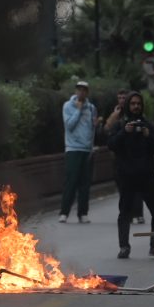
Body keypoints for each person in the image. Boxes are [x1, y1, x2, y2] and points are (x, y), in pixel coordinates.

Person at [107, 91, 154, 258]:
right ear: (128, 105)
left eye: (138, 104)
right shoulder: (120, 125)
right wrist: (124, 132)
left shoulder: (148, 125)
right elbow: (111, 144)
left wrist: (148, 136)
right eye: (132, 104)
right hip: (127, 176)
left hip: (147, 175)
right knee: (125, 213)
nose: (136, 106)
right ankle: (124, 246)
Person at [59, 81, 98, 224]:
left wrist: (95, 125)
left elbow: (92, 129)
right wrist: (78, 110)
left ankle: (83, 213)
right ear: (76, 91)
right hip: (73, 148)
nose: (81, 92)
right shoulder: (67, 106)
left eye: (84, 90)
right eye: (79, 89)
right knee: (71, 181)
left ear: (87, 92)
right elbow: (69, 125)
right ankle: (64, 212)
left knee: (85, 183)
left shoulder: (92, 108)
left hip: (87, 149)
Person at [105, 89, 145, 224]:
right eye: (120, 98)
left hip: (135, 157)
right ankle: (127, 212)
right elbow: (107, 131)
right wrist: (114, 117)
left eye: (124, 98)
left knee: (137, 186)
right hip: (119, 157)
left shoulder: (136, 114)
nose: (122, 100)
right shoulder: (115, 114)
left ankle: (138, 213)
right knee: (123, 187)